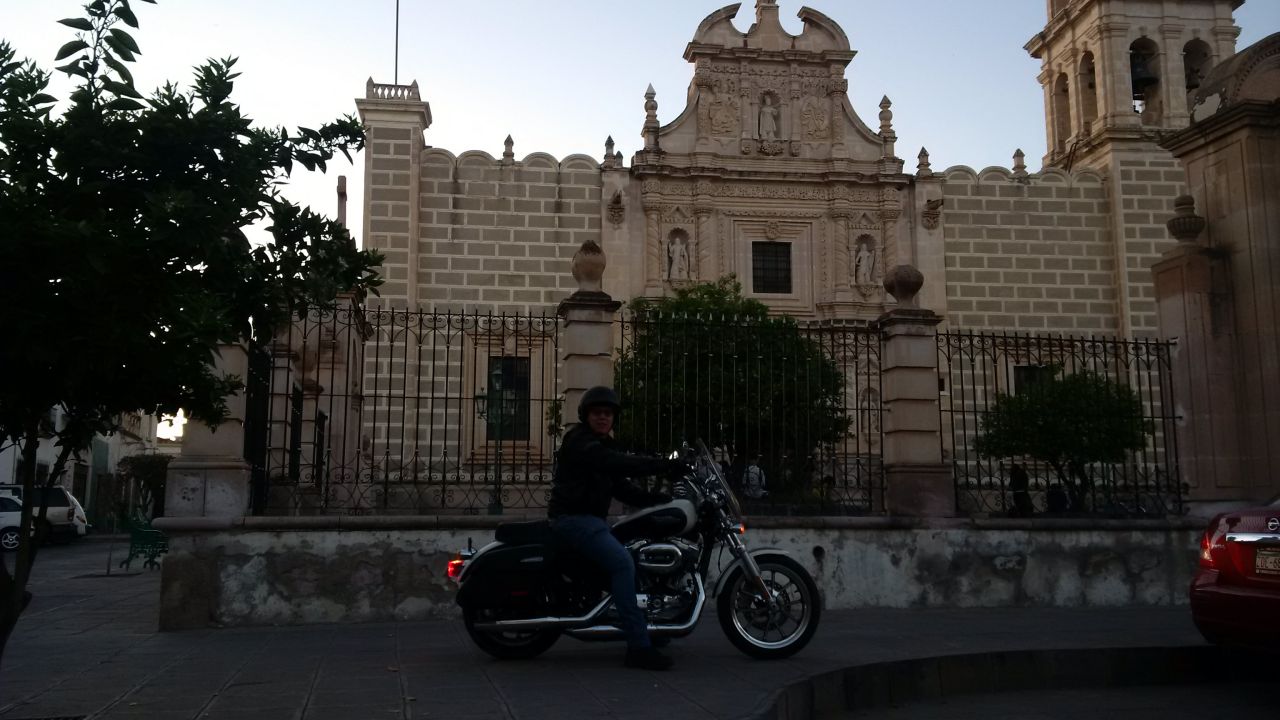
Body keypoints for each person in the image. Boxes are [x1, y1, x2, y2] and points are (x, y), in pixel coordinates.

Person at [548, 386, 679, 671]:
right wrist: (664, 465)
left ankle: (643, 630)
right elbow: (615, 463)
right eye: (597, 413)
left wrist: (657, 499)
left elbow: (622, 488)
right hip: (573, 520)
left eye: (608, 414)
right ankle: (638, 649)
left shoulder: (602, 446)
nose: (603, 418)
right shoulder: (580, 441)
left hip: (590, 522)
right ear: (586, 416)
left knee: (630, 559)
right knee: (622, 564)